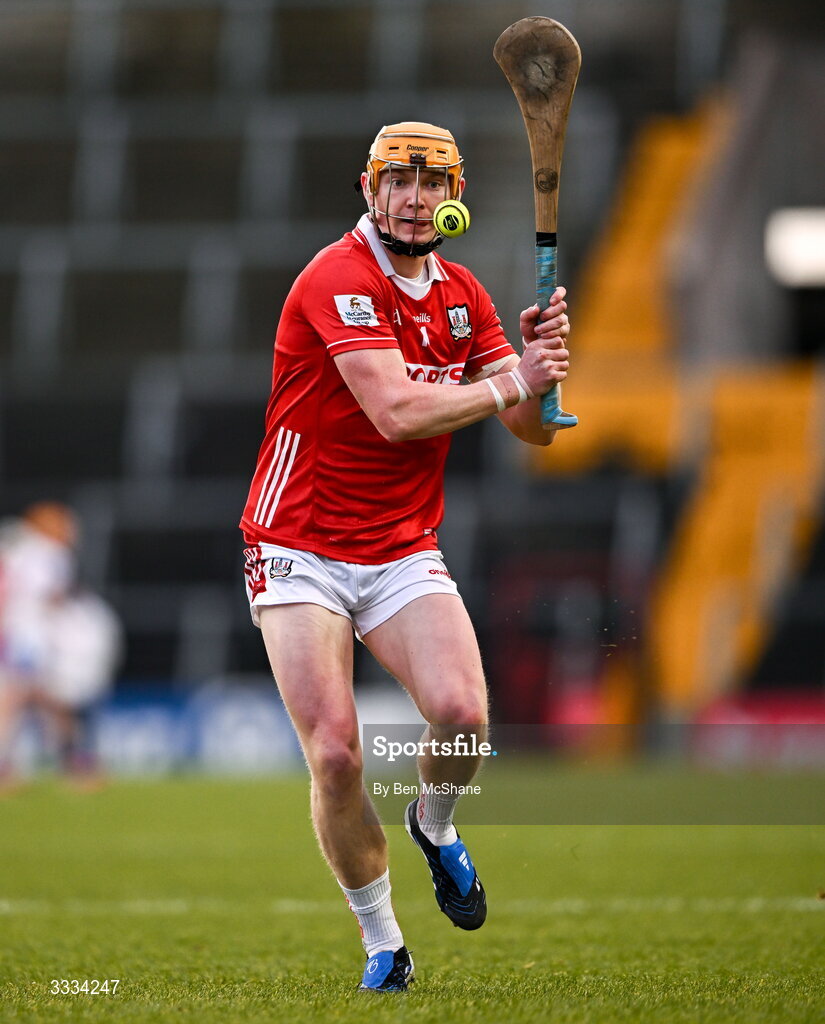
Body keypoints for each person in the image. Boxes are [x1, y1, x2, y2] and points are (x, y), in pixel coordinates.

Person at [240, 122, 571, 991]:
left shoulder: (462, 294)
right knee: (340, 754)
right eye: (399, 180)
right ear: (368, 188)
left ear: (452, 192)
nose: (416, 197)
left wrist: (541, 369)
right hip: (296, 544)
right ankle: (384, 941)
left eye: (432, 181)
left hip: (398, 545)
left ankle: (434, 822)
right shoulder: (336, 278)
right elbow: (394, 412)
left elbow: (532, 431)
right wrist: (512, 381)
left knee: (464, 716)